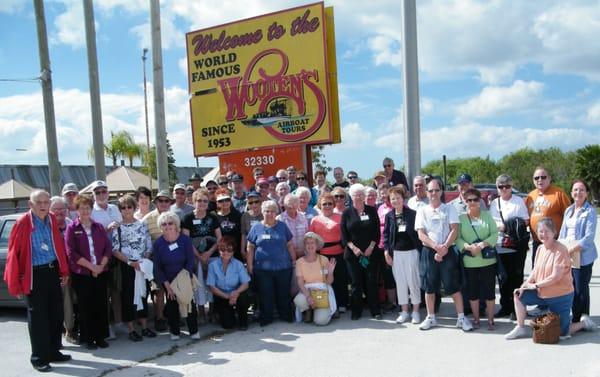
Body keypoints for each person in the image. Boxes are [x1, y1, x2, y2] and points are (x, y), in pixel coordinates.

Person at [4, 190, 71, 372]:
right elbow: (13, 254)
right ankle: (39, 357)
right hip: (34, 275)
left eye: (45, 201)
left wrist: (63, 269)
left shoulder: (50, 219)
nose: (43, 205)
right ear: (30, 204)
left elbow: (58, 245)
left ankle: (53, 351)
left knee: (55, 314)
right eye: (38, 202)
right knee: (39, 318)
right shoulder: (23, 223)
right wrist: (16, 284)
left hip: (51, 271)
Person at [505, 217, 597, 340]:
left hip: (560, 296)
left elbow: (555, 277)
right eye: (540, 231)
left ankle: (583, 323)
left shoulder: (561, 250)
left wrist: (535, 285)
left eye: (547, 231)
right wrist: (525, 284)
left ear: (554, 232)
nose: (543, 234)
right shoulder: (540, 248)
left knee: (561, 333)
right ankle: (520, 327)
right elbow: (535, 271)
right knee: (518, 294)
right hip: (542, 293)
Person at [415, 179, 473, 331]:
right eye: (430, 190)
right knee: (429, 287)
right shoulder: (422, 210)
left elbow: (454, 229)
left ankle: (461, 318)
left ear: (441, 192)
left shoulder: (449, 208)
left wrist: (445, 247)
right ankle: (431, 317)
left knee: (453, 286)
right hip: (429, 251)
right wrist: (436, 247)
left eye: (436, 190)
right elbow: (421, 233)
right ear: (427, 193)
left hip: (448, 251)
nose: (433, 193)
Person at [65, 194, 113, 350]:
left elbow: (108, 248)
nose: (85, 211)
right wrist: (92, 268)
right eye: (82, 208)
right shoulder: (72, 228)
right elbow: (72, 253)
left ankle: (100, 337)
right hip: (82, 274)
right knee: (86, 306)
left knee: (101, 305)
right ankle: (88, 338)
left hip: (101, 271)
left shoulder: (98, 227)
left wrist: (100, 266)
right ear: (76, 210)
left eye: (88, 207)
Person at [111, 195, 156, 342]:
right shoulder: (117, 228)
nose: (126, 210)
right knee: (128, 297)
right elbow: (115, 250)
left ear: (134, 207)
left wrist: (145, 259)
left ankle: (144, 326)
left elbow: (149, 244)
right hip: (127, 266)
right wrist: (131, 262)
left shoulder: (142, 225)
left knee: (143, 294)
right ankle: (131, 328)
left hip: (142, 265)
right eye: (123, 208)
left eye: (129, 207)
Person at [246, 200, 296, 326]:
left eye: (272, 211)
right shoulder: (256, 227)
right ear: (262, 212)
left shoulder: (282, 226)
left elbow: (290, 245)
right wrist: (250, 265)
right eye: (267, 211)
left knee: (283, 293)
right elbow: (250, 247)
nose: (269, 213)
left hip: (283, 267)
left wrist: (294, 260)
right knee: (265, 294)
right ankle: (266, 318)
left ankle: (285, 315)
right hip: (262, 269)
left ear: (276, 213)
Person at [153, 211, 200, 340]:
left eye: (170, 223)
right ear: (160, 226)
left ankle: (194, 331)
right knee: (172, 306)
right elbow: (157, 266)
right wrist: (166, 284)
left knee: (189, 303)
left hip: (184, 276)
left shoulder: (184, 239)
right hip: (168, 280)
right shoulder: (158, 244)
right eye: (164, 224)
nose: (167, 226)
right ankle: (174, 332)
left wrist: (185, 277)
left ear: (176, 224)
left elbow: (190, 260)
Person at [455, 189, 498, 330]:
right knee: (472, 292)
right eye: (469, 200)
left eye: (475, 199)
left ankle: (491, 320)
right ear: (465, 202)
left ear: (480, 201)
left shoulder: (487, 216)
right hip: (470, 261)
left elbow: (494, 234)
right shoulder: (461, 218)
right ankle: (476, 319)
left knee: (489, 292)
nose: (472, 202)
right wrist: (467, 247)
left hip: (487, 261)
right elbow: (457, 238)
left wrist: (482, 245)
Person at [489, 174, 530, 318]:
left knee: (516, 277)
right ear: (497, 188)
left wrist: (507, 226)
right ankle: (505, 306)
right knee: (503, 278)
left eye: (507, 186)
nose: (504, 189)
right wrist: (502, 227)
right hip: (500, 244)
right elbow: (492, 223)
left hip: (516, 244)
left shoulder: (518, 201)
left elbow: (526, 221)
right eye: (501, 187)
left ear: (512, 187)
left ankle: (516, 308)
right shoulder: (494, 203)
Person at [341, 183, 382, 320]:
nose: (358, 197)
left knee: (371, 282)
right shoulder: (346, 213)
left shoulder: (371, 210)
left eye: (360, 194)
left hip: (371, 253)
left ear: (364, 196)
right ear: (351, 196)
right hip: (353, 255)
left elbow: (377, 232)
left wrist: (370, 247)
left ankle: (375, 310)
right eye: (355, 194)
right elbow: (344, 236)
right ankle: (356, 311)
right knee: (356, 283)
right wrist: (354, 248)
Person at [558, 180, 597, 323]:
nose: (578, 193)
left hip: (582, 255)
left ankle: (581, 317)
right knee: (570, 286)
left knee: (581, 287)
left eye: (581, 190)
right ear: (571, 193)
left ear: (586, 193)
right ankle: (576, 315)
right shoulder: (569, 210)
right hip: (568, 252)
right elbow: (563, 232)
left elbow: (589, 237)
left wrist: (573, 249)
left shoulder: (590, 211)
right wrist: (561, 249)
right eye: (575, 190)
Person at [181, 188, 222, 323]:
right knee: (198, 285)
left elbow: (219, 239)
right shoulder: (187, 218)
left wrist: (208, 253)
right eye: (199, 201)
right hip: (195, 257)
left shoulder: (213, 217)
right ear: (193, 202)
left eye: (205, 201)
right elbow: (186, 240)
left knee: (212, 284)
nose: (202, 203)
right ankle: (201, 313)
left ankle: (212, 311)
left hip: (213, 256)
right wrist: (199, 255)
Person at [383, 185, 422, 324]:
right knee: (400, 283)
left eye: (398, 198)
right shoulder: (389, 216)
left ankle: (416, 311)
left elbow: (418, 234)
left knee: (413, 281)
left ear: (403, 198)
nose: (395, 201)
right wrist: (386, 251)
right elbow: (386, 235)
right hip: (396, 254)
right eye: (392, 198)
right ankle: (404, 311)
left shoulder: (412, 214)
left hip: (411, 252)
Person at [309, 193, 348, 313]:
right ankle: (327, 303)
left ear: (334, 204)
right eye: (324, 204)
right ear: (320, 205)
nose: (327, 206)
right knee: (324, 280)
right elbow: (311, 239)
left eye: (330, 203)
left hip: (339, 253)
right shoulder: (315, 220)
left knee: (340, 279)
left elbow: (346, 235)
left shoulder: (341, 217)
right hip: (322, 254)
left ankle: (342, 303)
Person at [526, 166, 571, 266]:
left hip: (554, 241)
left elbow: (570, 217)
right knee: (537, 272)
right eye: (536, 178)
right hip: (537, 242)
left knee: (554, 273)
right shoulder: (530, 196)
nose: (540, 180)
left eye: (543, 177)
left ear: (549, 178)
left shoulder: (559, 194)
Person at [142, 190, 173, 331]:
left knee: (174, 289)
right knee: (158, 291)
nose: (164, 203)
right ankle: (159, 318)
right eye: (161, 200)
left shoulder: (175, 217)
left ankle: (173, 316)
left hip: (173, 258)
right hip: (155, 260)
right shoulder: (147, 219)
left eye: (167, 201)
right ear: (155, 202)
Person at [207, 236, 251, 330]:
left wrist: (236, 293)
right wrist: (227, 297)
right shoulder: (212, 265)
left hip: (236, 293)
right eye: (223, 249)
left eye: (229, 249)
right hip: (222, 295)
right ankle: (226, 314)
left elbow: (245, 283)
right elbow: (212, 287)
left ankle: (243, 321)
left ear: (233, 251)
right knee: (228, 325)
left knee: (244, 297)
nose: (226, 252)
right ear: (219, 250)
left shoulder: (238, 264)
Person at [50, 196, 77, 345]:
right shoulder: (47, 226)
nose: (59, 212)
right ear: (50, 211)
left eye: (62, 209)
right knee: (62, 301)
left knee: (72, 300)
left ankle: (70, 329)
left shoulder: (71, 225)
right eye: (56, 209)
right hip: (55, 270)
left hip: (73, 268)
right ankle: (67, 330)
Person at [294, 232, 337, 325]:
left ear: (317, 245)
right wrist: (308, 297)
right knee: (299, 300)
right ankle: (309, 310)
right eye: (307, 243)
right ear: (304, 246)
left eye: (312, 242)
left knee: (320, 321)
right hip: (307, 292)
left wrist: (330, 272)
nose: (310, 245)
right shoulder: (299, 262)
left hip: (322, 293)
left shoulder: (324, 260)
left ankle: (322, 310)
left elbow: (329, 282)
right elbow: (300, 283)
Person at [376, 183, 397, 312]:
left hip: (394, 246)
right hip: (381, 246)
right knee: (387, 275)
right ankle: (391, 302)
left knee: (397, 275)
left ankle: (402, 301)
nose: (384, 195)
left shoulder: (396, 206)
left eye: (386, 192)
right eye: (381, 193)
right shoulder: (379, 208)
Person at [277, 194, 309, 259]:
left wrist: (304, 249)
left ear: (298, 205)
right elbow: (278, 239)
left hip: (302, 254)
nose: (291, 205)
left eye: (294, 202)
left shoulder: (303, 217)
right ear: (285, 205)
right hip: (286, 255)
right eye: (289, 203)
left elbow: (307, 235)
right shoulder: (279, 219)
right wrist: (292, 251)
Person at [240, 191, 263, 261]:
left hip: (263, 248)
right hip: (249, 249)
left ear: (261, 202)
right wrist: (242, 250)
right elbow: (244, 234)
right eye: (250, 203)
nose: (254, 204)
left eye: (256, 202)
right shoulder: (245, 216)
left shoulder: (266, 214)